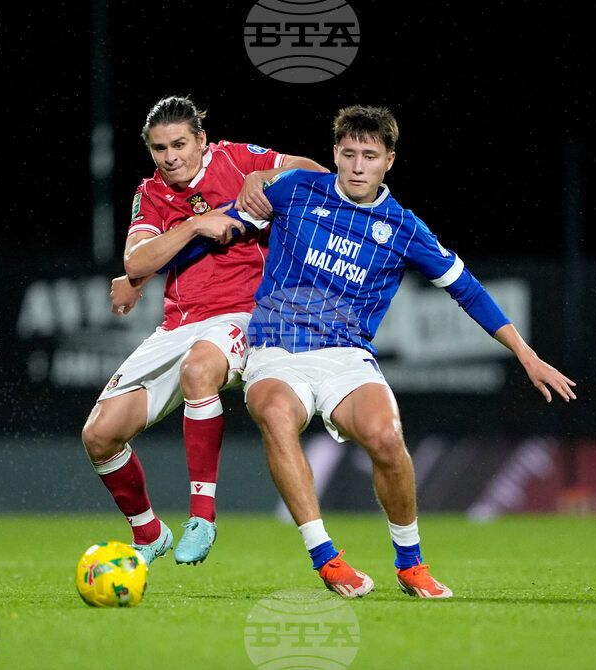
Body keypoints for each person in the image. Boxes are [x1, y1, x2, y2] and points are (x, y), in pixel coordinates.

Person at [232, 105, 577, 597]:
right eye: (348, 153)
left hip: (345, 356)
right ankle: (326, 558)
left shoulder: (403, 228)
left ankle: (410, 564)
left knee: (387, 437)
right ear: (334, 153)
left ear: (389, 161)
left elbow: (466, 289)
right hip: (277, 350)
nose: (357, 166)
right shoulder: (295, 190)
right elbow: (219, 227)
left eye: (369, 156)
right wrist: (142, 271)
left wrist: (525, 353)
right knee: (276, 415)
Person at [81, 95, 327, 566]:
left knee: (198, 370)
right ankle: (149, 532)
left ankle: (202, 517)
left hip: (245, 314)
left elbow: (315, 172)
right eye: (159, 148)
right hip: (179, 323)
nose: (170, 157)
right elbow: (136, 261)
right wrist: (196, 224)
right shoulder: (151, 193)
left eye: (179, 144)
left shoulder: (236, 159)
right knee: (99, 435)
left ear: (202, 141)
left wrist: (263, 177)